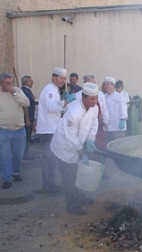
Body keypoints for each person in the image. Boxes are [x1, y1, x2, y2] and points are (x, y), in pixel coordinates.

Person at [50, 82, 99, 215]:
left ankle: (80, 197)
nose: (95, 101)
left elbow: (94, 124)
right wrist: (81, 151)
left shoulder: (94, 108)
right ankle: (72, 205)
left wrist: (90, 139)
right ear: (83, 98)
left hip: (77, 143)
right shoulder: (74, 111)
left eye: (96, 98)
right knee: (69, 177)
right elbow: (70, 136)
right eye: (92, 99)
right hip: (64, 147)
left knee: (77, 173)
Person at [36, 67, 76, 194]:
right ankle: (48, 187)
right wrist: (64, 101)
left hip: (52, 129)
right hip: (48, 130)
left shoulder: (55, 90)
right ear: (54, 77)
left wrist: (65, 102)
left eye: (65, 79)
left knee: (52, 159)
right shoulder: (50, 90)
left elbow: (60, 110)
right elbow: (51, 108)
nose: (63, 81)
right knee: (49, 159)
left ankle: (50, 185)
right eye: (61, 78)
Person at [0, 73, 30, 189]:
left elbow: (26, 103)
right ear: (1, 83)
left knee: (18, 155)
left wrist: (14, 93)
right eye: (7, 83)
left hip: (19, 129)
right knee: (4, 155)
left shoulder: (17, 91)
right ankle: (6, 178)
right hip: (3, 130)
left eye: (11, 82)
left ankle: (15, 172)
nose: (10, 85)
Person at [75, 75, 109, 154]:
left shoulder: (100, 95)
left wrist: (105, 121)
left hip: (98, 127)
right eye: (88, 84)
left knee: (100, 149)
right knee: (84, 150)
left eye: (93, 84)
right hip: (83, 127)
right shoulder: (77, 96)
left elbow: (104, 110)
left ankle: (100, 165)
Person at [103, 77, 128, 142]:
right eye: (104, 84)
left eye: (107, 84)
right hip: (108, 127)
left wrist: (123, 119)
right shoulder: (104, 97)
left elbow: (123, 109)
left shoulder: (119, 96)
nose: (105, 86)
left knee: (118, 146)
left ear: (112, 85)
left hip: (118, 128)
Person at [20, 75, 36, 160]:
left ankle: (26, 152)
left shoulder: (28, 90)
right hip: (27, 117)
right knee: (27, 136)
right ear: (25, 82)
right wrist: (27, 119)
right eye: (30, 81)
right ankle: (25, 153)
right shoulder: (24, 91)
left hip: (31, 116)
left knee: (28, 135)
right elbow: (25, 106)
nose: (32, 82)